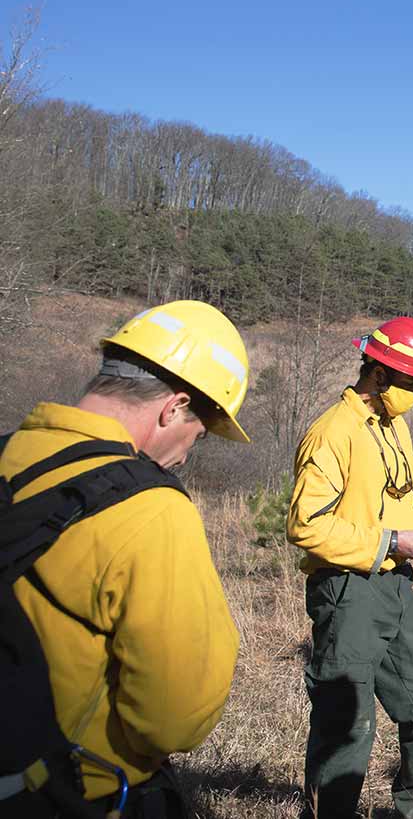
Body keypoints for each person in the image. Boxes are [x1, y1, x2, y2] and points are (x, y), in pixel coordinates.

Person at [1, 300, 252, 817]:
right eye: (197, 435)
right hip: (63, 794)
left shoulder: (10, 454)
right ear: (173, 407)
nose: (184, 455)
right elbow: (177, 717)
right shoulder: (152, 510)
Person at [288, 317, 413, 819]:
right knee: (346, 720)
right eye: (411, 381)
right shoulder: (333, 432)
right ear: (377, 372)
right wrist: (391, 541)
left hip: (395, 584)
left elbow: (411, 488)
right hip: (348, 588)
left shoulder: (393, 427)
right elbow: (306, 526)